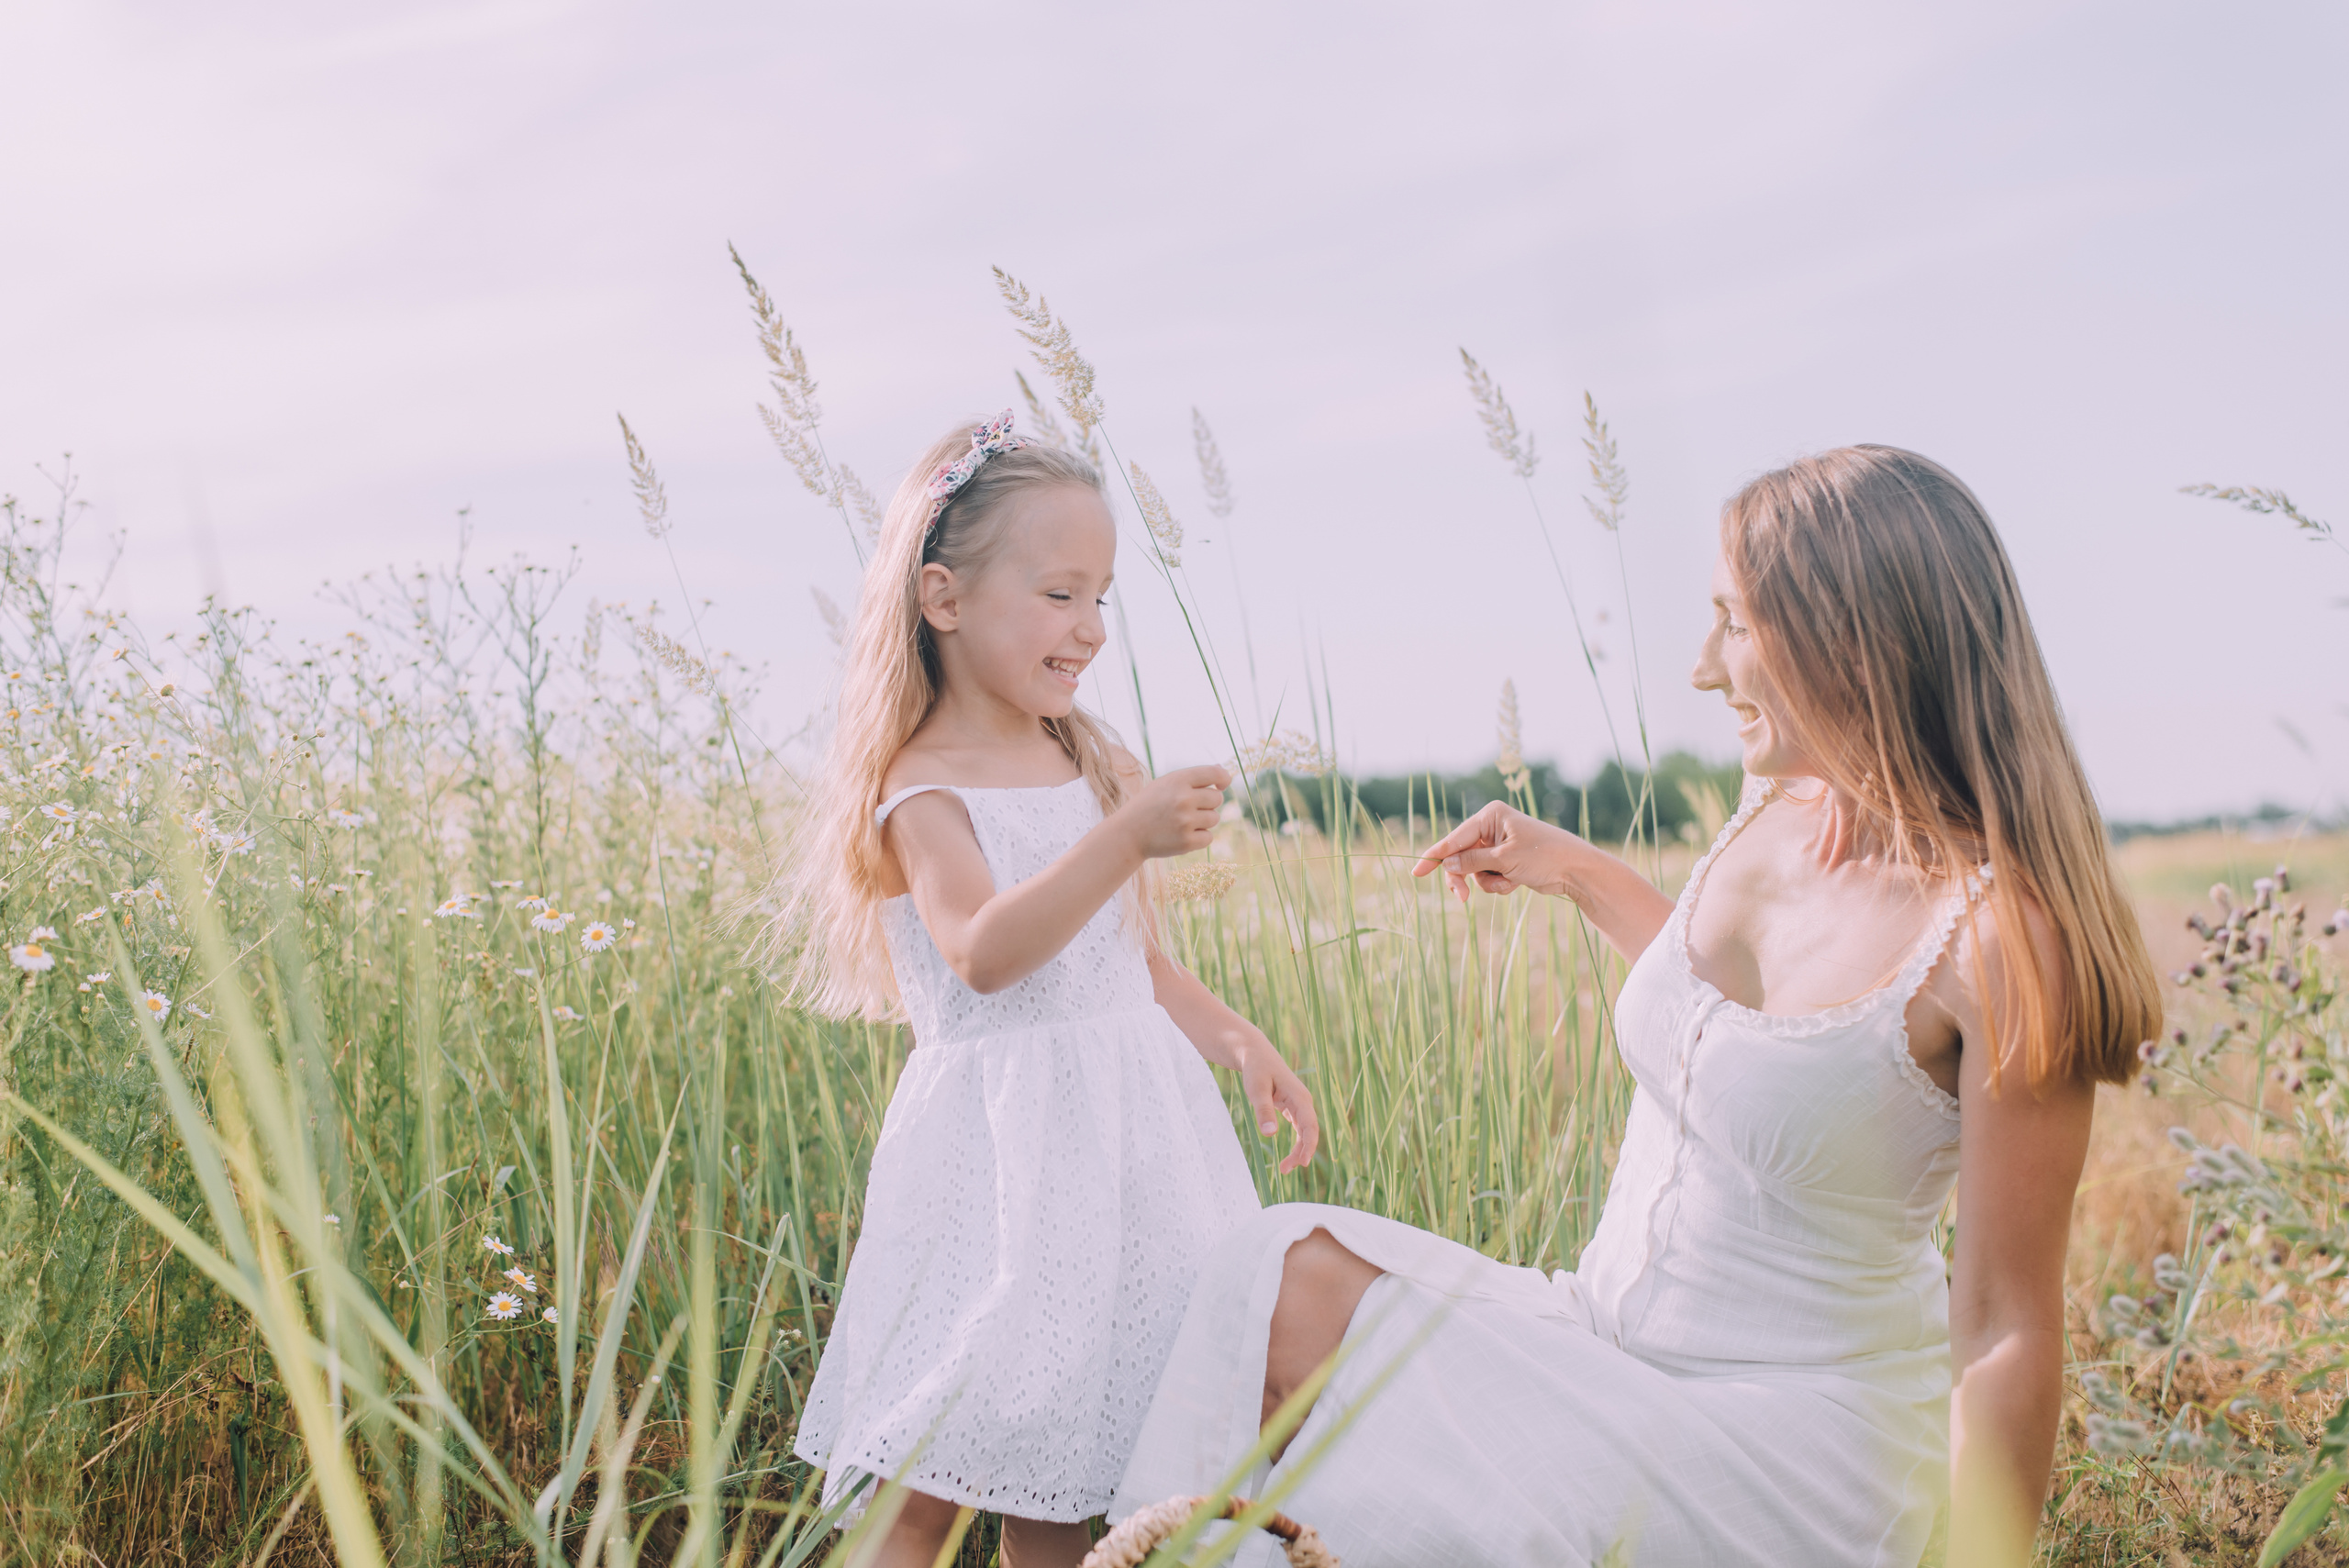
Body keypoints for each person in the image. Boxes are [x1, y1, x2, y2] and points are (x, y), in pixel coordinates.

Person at [1111, 446, 2160, 1567]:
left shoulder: (1999, 940)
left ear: (1851, 636)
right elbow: (1739, 1030)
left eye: (1733, 622)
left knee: (1438, 1497)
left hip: (1783, 1438)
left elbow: (2005, 1325)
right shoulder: (1772, 807)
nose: (1705, 668)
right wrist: (1573, 869)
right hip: (1597, 1338)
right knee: (1275, 1271)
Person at [777, 412, 1319, 1568]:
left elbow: (1129, 962)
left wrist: (1237, 1038)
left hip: (1130, 1149)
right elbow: (982, 951)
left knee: (1071, 1469)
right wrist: (1122, 836)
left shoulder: (1080, 753)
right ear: (943, 597)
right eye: (1060, 593)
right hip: (999, 1163)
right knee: (936, 1462)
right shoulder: (922, 785)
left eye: (1101, 597)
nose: (1090, 627)